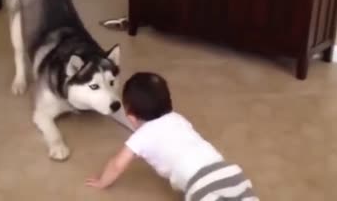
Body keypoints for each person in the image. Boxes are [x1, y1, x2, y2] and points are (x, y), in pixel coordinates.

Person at [86, 72, 259, 201]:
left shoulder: (141, 137)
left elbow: (117, 164)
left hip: (201, 183)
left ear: (131, 117)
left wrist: (102, 182)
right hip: (229, 172)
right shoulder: (178, 118)